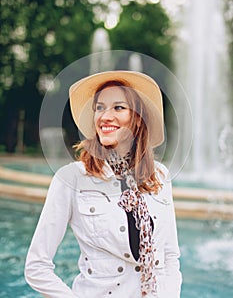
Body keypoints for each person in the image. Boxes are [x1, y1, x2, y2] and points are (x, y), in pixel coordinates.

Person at [25, 70, 182, 298]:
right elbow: (36, 267)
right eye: (99, 108)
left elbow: (169, 256)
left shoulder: (159, 175)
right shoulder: (71, 179)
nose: (105, 116)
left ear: (137, 118)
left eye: (118, 107)